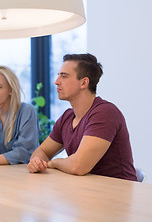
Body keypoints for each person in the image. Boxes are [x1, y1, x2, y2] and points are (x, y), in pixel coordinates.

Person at [27, 53, 137, 181]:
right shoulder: (67, 117)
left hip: (117, 194)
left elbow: (78, 166)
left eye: (64, 76)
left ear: (84, 82)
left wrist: (53, 163)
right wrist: (37, 162)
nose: (56, 82)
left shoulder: (105, 113)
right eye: (58, 76)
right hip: (85, 191)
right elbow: (43, 152)